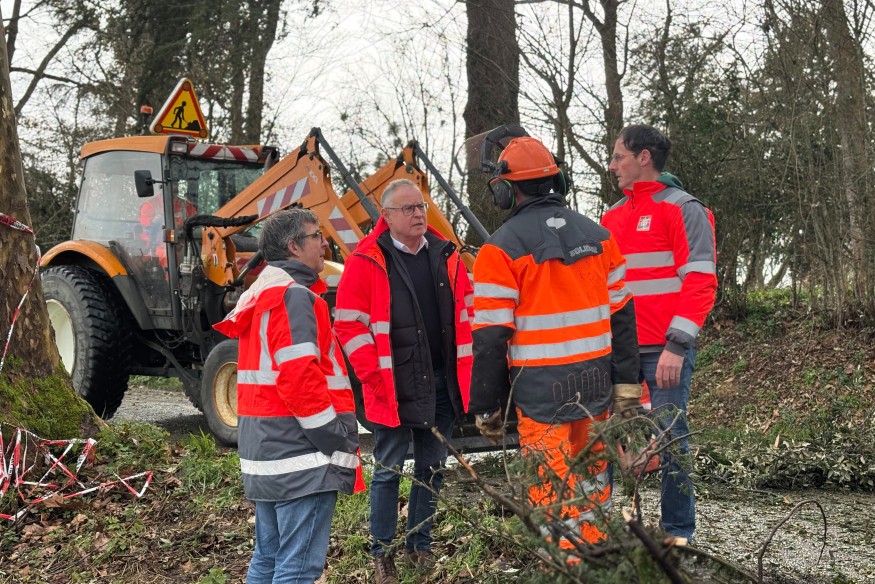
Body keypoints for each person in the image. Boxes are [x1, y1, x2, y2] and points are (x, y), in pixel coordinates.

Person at [468, 136, 641, 550]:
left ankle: (565, 568)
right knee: (593, 486)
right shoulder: (600, 238)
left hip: (543, 394)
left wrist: (488, 406)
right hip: (596, 387)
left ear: (507, 190)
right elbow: (623, 319)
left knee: (551, 493)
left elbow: (491, 337)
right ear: (556, 180)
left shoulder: (499, 250)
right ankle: (597, 559)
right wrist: (627, 386)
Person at [213, 208, 365, 583]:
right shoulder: (294, 296)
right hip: (301, 458)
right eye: (316, 236)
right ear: (295, 246)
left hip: (267, 455)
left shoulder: (262, 292)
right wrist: (337, 438)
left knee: (268, 560)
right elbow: (299, 381)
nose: (324, 242)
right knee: (297, 569)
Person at [333, 179, 473, 584]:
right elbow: (350, 326)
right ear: (387, 216)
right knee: (389, 468)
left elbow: (468, 315)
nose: (418, 215)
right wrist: (372, 377)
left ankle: (420, 545)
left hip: (442, 381)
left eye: (422, 207)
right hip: (391, 384)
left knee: (432, 467)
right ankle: (383, 553)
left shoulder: (447, 255)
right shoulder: (367, 260)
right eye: (408, 209)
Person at [601, 124, 717, 542]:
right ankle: (610, 531)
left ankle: (677, 532)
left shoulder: (684, 209)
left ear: (643, 157)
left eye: (619, 157)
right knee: (615, 441)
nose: (612, 165)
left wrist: (677, 344)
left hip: (666, 350)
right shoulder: (610, 218)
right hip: (621, 353)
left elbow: (701, 282)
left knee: (670, 440)